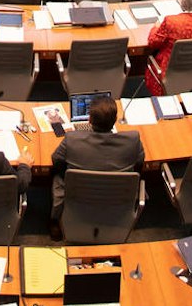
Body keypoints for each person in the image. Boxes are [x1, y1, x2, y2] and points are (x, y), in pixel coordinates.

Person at [49, 94, 144, 223]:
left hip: (79, 196)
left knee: (57, 176)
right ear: (115, 119)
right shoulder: (133, 140)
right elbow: (139, 164)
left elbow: (56, 160)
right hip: (117, 197)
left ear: (89, 120)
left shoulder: (72, 139)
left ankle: (55, 222)